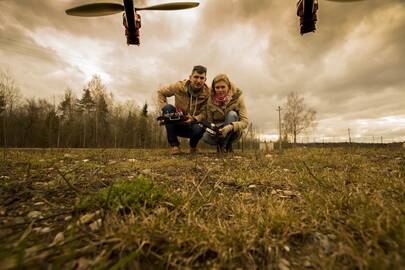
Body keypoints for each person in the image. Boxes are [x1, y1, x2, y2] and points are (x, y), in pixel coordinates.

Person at [157, 65, 210, 154]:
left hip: (194, 125)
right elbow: (161, 92)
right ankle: (175, 146)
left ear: (205, 79)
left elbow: (206, 111)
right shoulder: (179, 86)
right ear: (190, 77)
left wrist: (194, 118)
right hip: (177, 122)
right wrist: (164, 109)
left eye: (202, 78)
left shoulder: (208, 93)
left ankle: (193, 147)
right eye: (196, 77)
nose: (198, 80)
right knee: (168, 108)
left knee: (202, 125)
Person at [203, 74, 248, 153]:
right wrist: (213, 130)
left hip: (233, 131)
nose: (220, 90)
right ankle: (224, 145)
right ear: (214, 88)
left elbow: (245, 122)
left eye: (223, 87)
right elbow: (210, 121)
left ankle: (223, 147)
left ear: (229, 87)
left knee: (232, 114)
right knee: (205, 137)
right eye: (217, 87)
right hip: (218, 131)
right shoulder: (210, 101)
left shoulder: (238, 98)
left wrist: (229, 127)